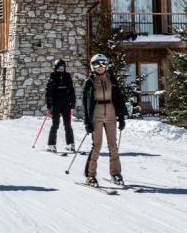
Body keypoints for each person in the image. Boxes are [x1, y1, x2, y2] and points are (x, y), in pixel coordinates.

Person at [82, 53, 127, 186]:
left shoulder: (111, 79)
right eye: (97, 64)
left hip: (111, 113)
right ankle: (90, 175)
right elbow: (85, 103)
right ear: (92, 66)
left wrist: (122, 117)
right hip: (96, 113)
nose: (100, 67)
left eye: (103, 64)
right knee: (97, 145)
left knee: (113, 146)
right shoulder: (89, 82)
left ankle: (116, 174)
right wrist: (87, 121)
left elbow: (118, 98)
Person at [45, 58, 76, 152]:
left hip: (66, 103)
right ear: (55, 68)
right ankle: (51, 145)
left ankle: (71, 144)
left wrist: (73, 101)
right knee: (55, 124)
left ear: (65, 68)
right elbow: (48, 91)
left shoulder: (67, 76)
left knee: (67, 124)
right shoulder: (53, 76)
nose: (60, 69)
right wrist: (49, 104)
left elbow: (71, 89)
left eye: (62, 67)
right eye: (59, 68)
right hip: (56, 104)